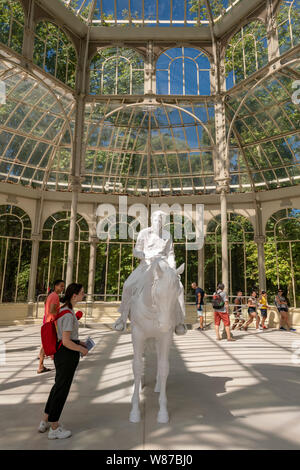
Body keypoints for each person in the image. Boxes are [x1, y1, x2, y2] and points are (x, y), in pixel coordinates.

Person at [114, 210, 186, 335]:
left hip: (163, 265)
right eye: (156, 220)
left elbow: (170, 254)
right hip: (146, 264)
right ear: (151, 221)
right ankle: (122, 318)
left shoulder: (167, 235)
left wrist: (173, 268)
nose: (158, 223)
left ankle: (179, 321)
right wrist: (143, 255)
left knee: (179, 287)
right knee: (127, 285)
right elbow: (136, 251)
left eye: (160, 221)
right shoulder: (144, 233)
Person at [38, 283, 88, 439]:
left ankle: (45, 420)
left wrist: (79, 342)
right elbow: (66, 341)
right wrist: (81, 349)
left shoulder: (65, 310)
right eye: (82, 293)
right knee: (62, 390)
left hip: (63, 353)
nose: (84, 295)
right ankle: (54, 427)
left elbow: (64, 337)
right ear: (74, 296)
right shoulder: (67, 314)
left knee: (57, 387)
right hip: (66, 355)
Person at [37, 280, 65, 374]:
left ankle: (41, 366)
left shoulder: (51, 295)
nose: (62, 288)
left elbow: (51, 310)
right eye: (61, 286)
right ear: (55, 286)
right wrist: (62, 313)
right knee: (51, 345)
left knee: (47, 345)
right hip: (51, 323)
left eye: (63, 286)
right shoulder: (55, 296)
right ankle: (42, 366)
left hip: (48, 322)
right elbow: (52, 311)